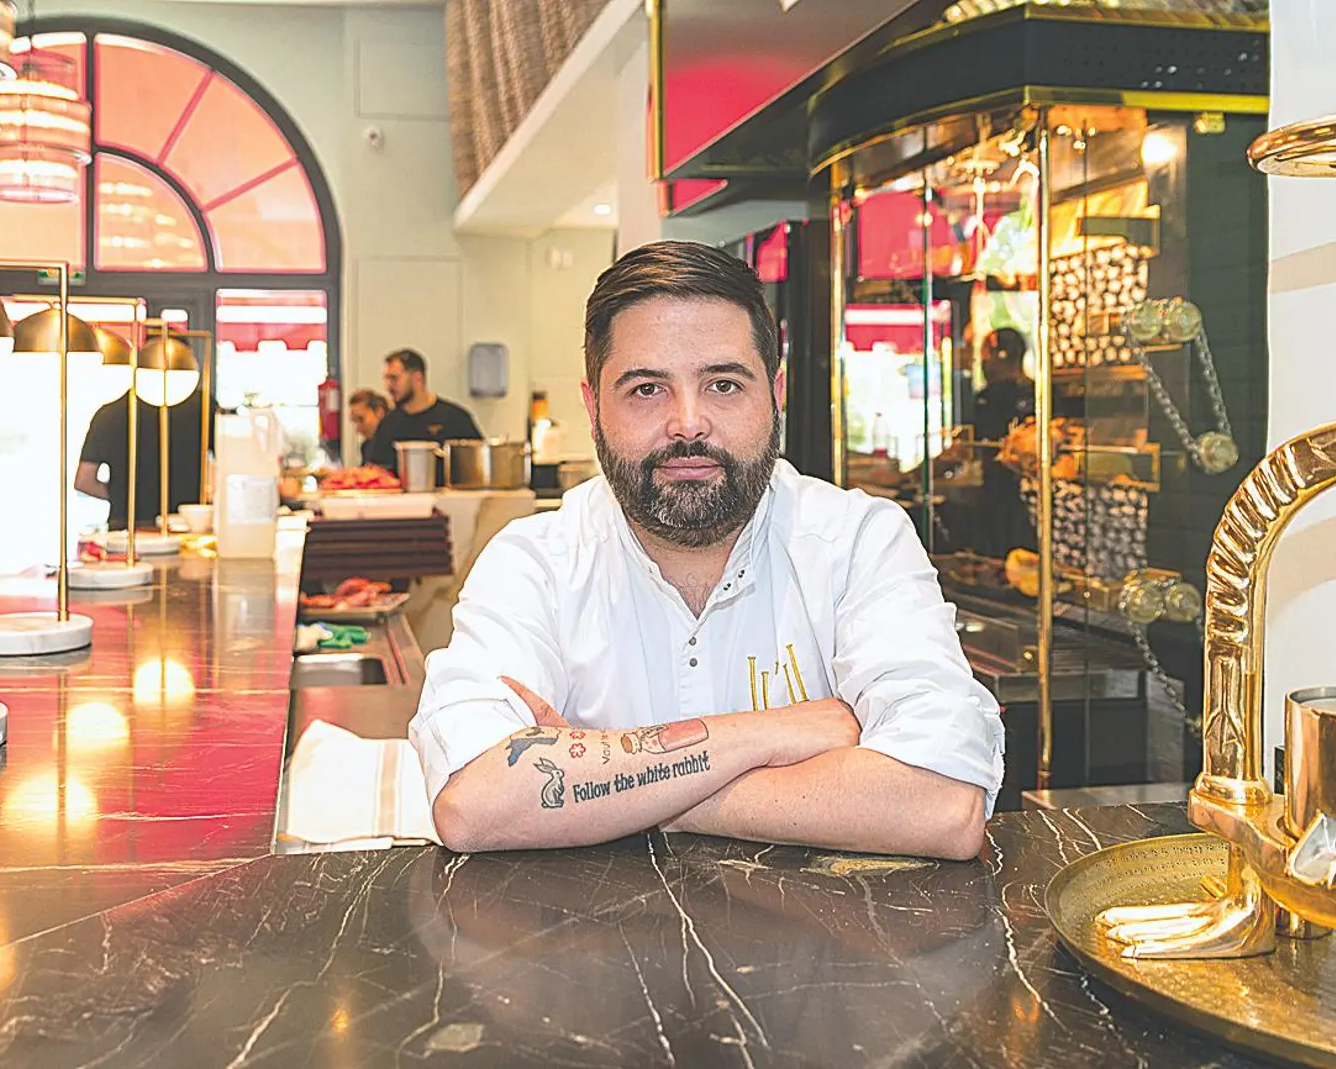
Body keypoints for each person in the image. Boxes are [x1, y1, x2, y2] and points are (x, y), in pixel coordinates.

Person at [411, 240, 1003, 860]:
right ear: (593, 409)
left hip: (820, 949)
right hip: (596, 949)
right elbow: (474, 802)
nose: (688, 423)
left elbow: (942, 801)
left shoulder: (858, 542)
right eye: (646, 390)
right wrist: (777, 734)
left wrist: (612, 787)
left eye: (723, 384)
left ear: (775, 394)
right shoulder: (532, 562)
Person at [76, 389, 211, 531]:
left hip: (127, 529)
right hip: (189, 526)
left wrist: (120, 494)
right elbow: (227, 466)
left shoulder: (109, 414)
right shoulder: (203, 406)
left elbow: (84, 481)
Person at [971, 327, 1038, 558]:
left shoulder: (987, 398)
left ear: (999, 356)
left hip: (999, 500)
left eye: (984, 355)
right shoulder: (1040, 392)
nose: (982, 362)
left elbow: (964, 449)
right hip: (1037, 503)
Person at [360, 348, 483, 472]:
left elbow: (479, 464)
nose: (388, 386)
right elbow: (376, 471)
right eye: (386, 379)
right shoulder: (388, 424)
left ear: (417, 377)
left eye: (394, 378)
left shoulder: (455, 418)